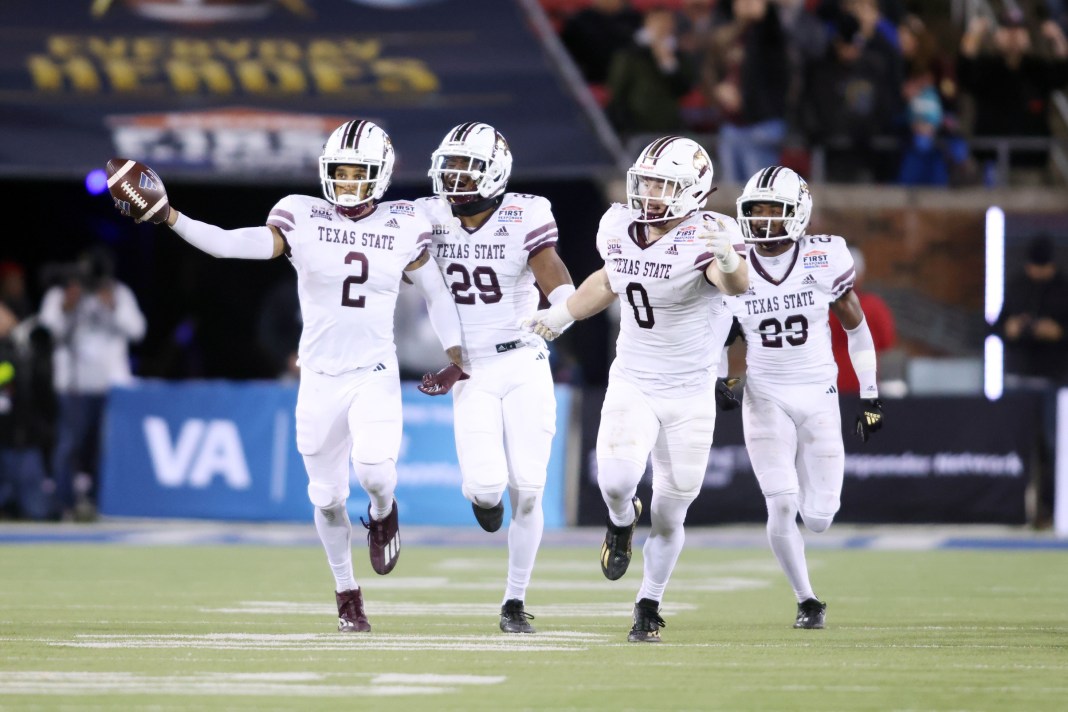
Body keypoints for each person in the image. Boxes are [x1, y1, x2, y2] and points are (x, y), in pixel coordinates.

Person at [111, 119, 467, 634]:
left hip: (373, 370)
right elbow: (228, 245)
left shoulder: (405, 222)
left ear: (382, 175)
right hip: (319, 376)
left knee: (375, 474)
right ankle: (347, 593)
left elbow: (434, 291)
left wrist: (456, 354)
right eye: (339, 172)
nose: (345, 183)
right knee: (325, 498)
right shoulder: (302, 214)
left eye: (357, 173)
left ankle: (384, 511)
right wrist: (170, 216)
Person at [523, 136, 749, 642]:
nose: (648, 193)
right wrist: (561, 314)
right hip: (635, 378)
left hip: (690, 391)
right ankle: (622, 521)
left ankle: (649, 603)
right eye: (645, 181)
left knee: (672, 509)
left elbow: (735, 285)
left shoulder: (711, 235)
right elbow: (609, 280)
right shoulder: (618, 225)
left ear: (692, 192)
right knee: (616, 482)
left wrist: (731, 260)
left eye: (663, 185)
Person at [417, 122, 575, 633]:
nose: (457, 179)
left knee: (529, 487)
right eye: (452, 168)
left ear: (496, 173)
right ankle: (484, 502)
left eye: (469, 169)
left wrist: (562, 314)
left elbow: (558, 284)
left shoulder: (526, 213)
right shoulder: (427, 214)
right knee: (486, 489)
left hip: (523, 357)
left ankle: (513, 600)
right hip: (470, 369)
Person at [723, 165, 884, 630]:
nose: (764, 222)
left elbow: (857, 328)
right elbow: (719, 329)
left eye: (776, 211)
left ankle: (808, 580)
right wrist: (724, 379)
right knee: (780, 501)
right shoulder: (731, 263)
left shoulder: (824, 256)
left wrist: (870, 395)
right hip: (764, 392)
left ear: (799, 214)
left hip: (818, 392)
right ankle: (807, 600)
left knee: (818, 517)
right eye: (756, 212)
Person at [39, 246, 146, 520]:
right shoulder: (62, 293)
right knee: (68, 447)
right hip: (73, 387)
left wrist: (112, 306)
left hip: (110, 387)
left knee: (106, 449)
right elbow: (45, 334)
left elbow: (138, 330)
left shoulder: (118, 293)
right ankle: (63, 505)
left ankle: (103, 504)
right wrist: (67, 306)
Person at [829, 245, 895, 394]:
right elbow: (887, 342)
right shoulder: (875, 306)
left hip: (833, 387)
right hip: (866, 385)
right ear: (861, 274)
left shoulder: (826, 307)